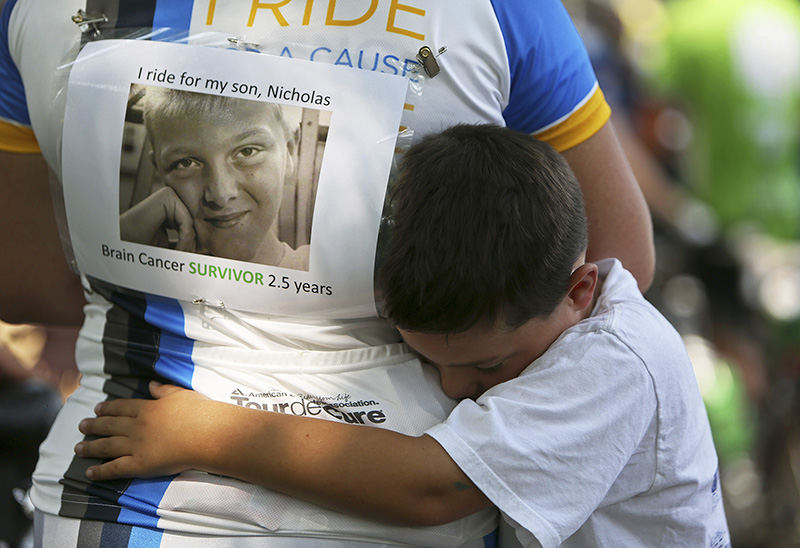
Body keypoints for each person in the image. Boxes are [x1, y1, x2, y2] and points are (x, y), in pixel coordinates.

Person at [0, 0, 655, 545]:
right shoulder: (501, 11)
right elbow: (617, 255)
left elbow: (26, 276)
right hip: (408, 496)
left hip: (124, 489)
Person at [76, 125, 729, 547]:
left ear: (578, 291)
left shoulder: (615, 365)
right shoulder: (553, 320)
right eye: (430, 361)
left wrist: (205, 431)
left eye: (488, 365)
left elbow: (433, 486)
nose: (454, 388)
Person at [119, 87, 309, 270]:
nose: (220, 195)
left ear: (290, 151)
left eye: (247, 151)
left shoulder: (324, 272)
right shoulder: (143, 267)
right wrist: (122, 236)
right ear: (159, 169)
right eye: (186, 163)